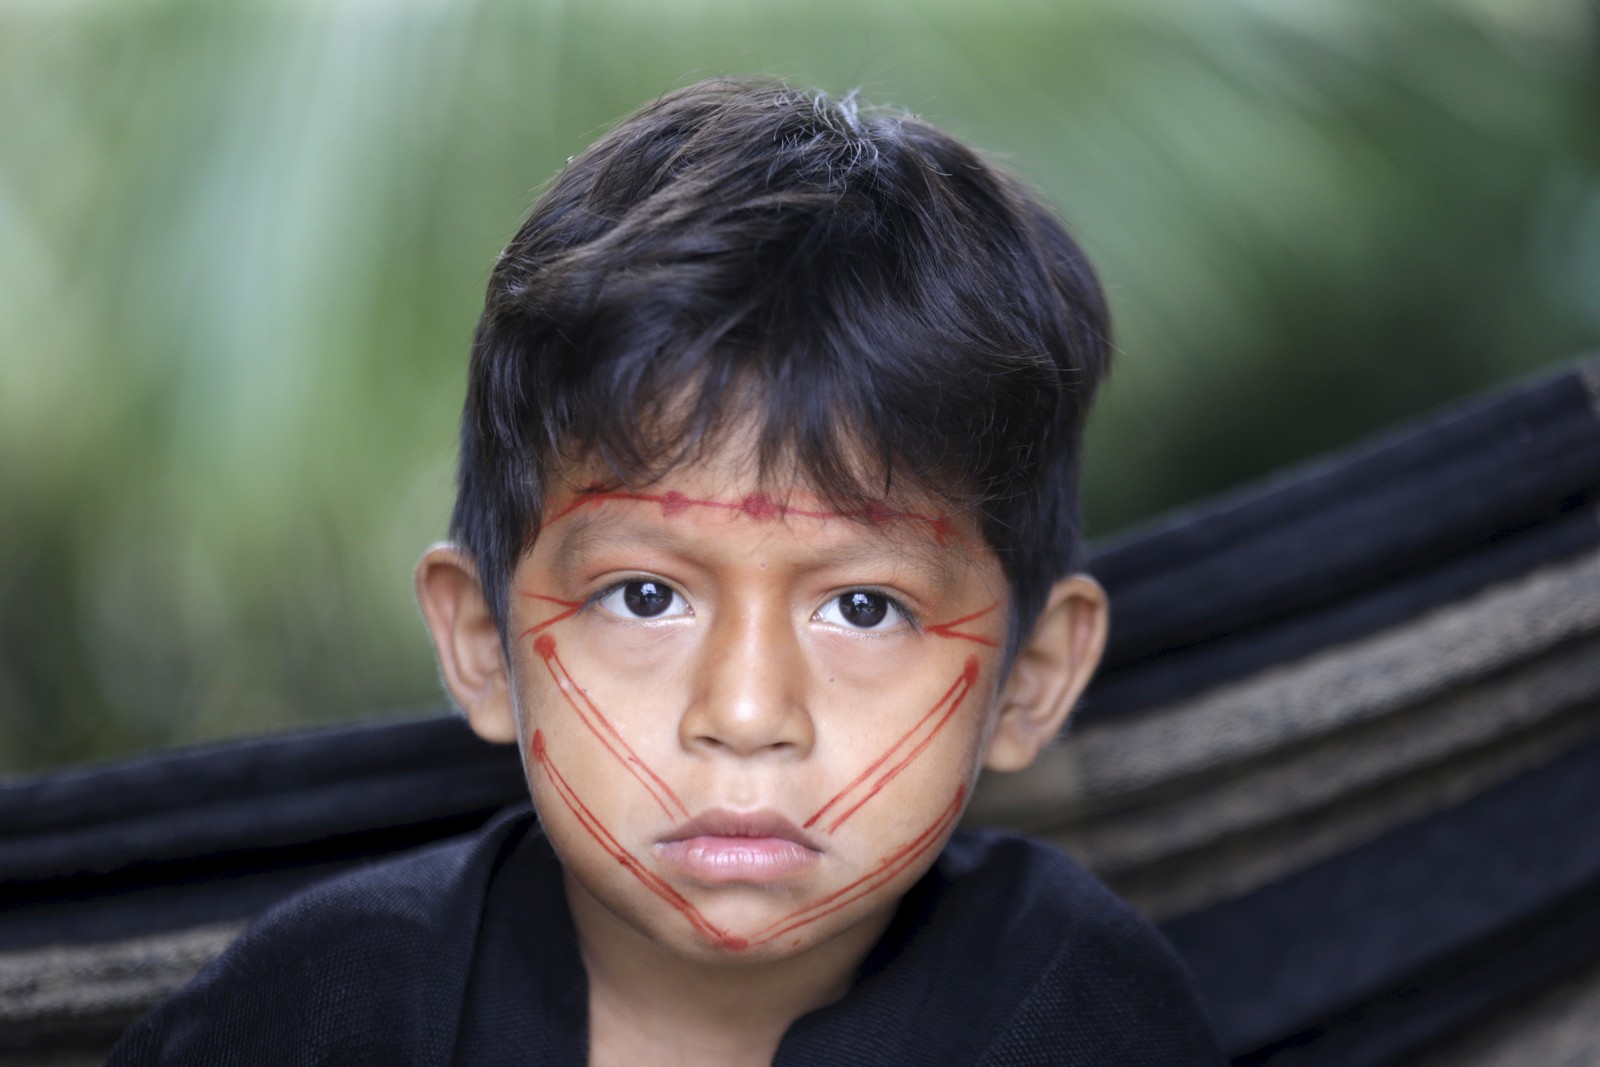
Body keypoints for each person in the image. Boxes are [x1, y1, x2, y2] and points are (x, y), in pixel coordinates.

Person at [109, 77, 1224, 1065]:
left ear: (1031, 675)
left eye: (863, 605)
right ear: (482, 643)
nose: (744, 712)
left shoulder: (1073, 1012)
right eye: (646, 595)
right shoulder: (323, 1007)